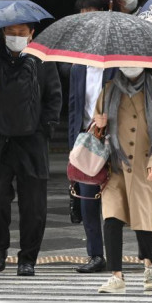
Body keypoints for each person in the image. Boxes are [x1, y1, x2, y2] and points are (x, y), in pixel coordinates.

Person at [0, 23, 62, 276]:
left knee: (34, 205)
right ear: (3, 33)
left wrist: (45, 129)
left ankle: (28, 258)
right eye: (11, 32)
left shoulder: (43, 60)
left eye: (21, 32)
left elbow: (54, 98)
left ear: (32, 33)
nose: (16, 37)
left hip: (31, 142)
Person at [93, 67, 152, 293]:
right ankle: (116, 276)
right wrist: (99, 125)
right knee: (112, 219)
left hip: (144, 166)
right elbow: (95, 128)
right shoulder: (109, 90)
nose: (129, 65)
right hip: (115, 165)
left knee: (144, 224)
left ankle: (151, 264)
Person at [67, 59, 117, 274]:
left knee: (115, 202)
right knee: (88, 201)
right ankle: (95, 254)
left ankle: (115, 253)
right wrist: (73, 146)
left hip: (115, 140)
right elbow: (73, 108)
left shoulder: (118, 67)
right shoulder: (77, 68)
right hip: (88, 140)